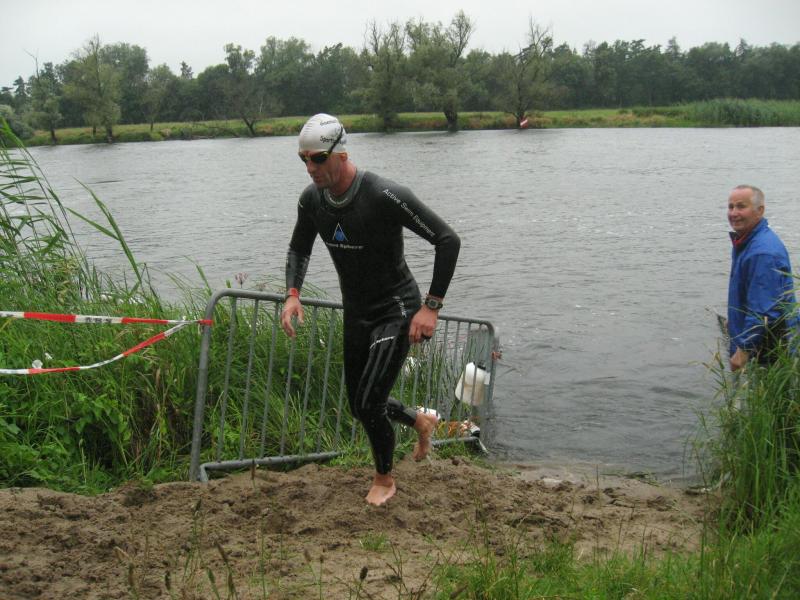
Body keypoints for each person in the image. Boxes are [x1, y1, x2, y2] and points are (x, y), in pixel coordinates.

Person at [280, 113, 461, 506]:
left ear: (341, 154)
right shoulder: (312, 200)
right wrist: (292, 294)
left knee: (368, 403)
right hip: (356, 312)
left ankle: (384, 479)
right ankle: (420, 421)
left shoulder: (383, 195)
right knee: (359, 404)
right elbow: (299, 247)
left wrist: (430, 307)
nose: (310, 167)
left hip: (396, 309)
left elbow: (447, 240)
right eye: (303, 159)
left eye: (318, 158)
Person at [726, 184, 798, 371]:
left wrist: (743, 351)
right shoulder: (747, 242)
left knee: (771, 388)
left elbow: (763, 310)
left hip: (769, 349)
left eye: (741, 206)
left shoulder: (762, 252)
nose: (734, 213)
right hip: (763, 342)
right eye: (731, 206)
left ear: (760, 211)